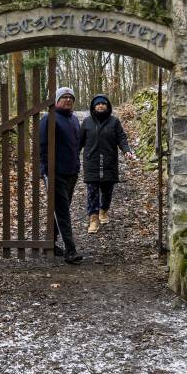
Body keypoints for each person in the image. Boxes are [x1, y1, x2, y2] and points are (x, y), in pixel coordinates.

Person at [79, 93, 135, 234]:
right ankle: (93, 219)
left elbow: (121, 138)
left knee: (107, 190)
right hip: (92, 162)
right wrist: (73, 154)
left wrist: (126, 150)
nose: (100, 105)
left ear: (108, 106)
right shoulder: (86, 122)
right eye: (97, 104)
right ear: (93, 106)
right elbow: (79, 141)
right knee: (92, 191)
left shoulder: (114, 122)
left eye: (103, 103)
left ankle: (104, 210)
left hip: (109, 161)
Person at [40, 87, 83, 264]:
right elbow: (42, 146)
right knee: (63, 211)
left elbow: (75, 145)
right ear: (56, 100)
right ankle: (70, 251)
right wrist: (44, 169)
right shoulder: (48, 119)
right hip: (54, 172)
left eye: (70, 97)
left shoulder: (73, 119)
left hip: (71, 172)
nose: (67, 100)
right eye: (63, 97)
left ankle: (49, 244)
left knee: (59, 210)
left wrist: (77, 165)